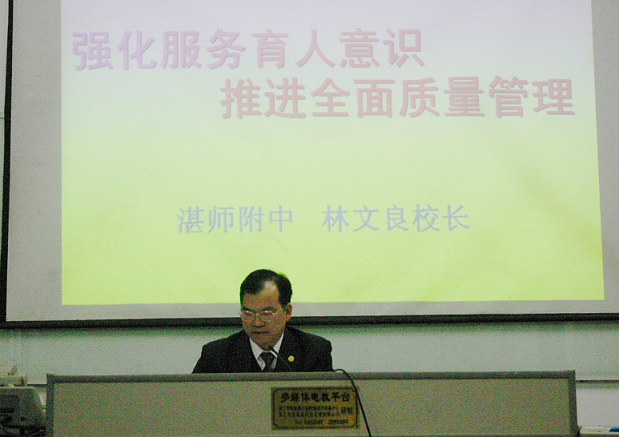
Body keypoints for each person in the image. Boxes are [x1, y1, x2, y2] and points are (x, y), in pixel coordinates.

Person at [192, 269, 333, 373]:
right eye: (248, 313)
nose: (257, 323)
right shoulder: (216, 354)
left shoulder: (314, 351)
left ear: (287, 312)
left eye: (266, 313)